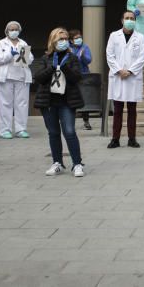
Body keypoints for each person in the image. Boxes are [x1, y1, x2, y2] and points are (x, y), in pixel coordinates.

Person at [32, 27, 86, 177]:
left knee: (69, 131)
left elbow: (77, 77)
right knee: (53, 133)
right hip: (49, 102)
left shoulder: (72, 57)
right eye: (60, 39)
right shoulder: (45, 58)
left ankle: (77, 164)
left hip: (66, 101)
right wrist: (52, 68)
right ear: (53, 41)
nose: (63, 42)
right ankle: (57, 163)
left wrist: (65, 68)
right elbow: (38, 78)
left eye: (65, 39)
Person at [106, 11, 144, 148]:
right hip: (117, 76)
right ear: (122, 20)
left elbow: (142, 57)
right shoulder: (114, 36)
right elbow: (109, 55)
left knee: (132, 109)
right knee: (117, 110)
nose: (129, 20)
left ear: (135, 21)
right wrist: (119, 70)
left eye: (132, 18)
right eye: (127, 18)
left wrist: (130, 71)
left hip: (132, 77)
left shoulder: (140, 37)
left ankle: (132, 138)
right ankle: (115, 139)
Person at [0, 20, 34, 139]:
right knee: (5, 104)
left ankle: (21, 129)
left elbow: (30, 59)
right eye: (11, 29)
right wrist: (10, 54)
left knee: (22, 104)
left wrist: (23, 56)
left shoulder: (23, 42)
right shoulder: (1, 43)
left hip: (21, 77)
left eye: (16, 29)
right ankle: (4, 130)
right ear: (7, 31)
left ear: (19, 31)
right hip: (5, 78)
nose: (14, 31)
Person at [69, 29, 94, 129]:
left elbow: (88, 60)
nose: (79, 39)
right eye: (76, 38)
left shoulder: (85, 47)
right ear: (71, 40)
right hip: (71, 76)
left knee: (85, 99)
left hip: (84, 75)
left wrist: (83, 56)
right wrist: (74, 55)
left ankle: (86, 122)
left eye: (80, 37)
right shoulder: (68, 47)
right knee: (72, 99)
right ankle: (70, 122)